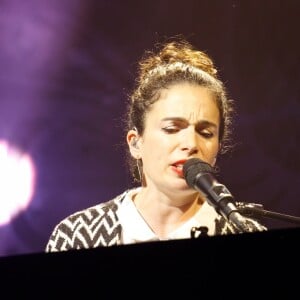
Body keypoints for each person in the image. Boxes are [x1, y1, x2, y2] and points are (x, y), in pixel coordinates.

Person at [45, 37, 267, 253]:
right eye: (171, 129)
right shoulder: (76, 236)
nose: (191, 143)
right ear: (136, 143)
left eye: (206, 133)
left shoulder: (242, 230)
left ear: (217, 149)